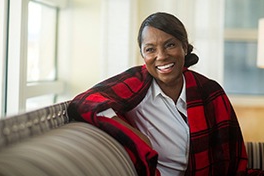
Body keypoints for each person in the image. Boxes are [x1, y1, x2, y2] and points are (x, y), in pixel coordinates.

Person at [68, 12, 262, 176]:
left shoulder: (209, 91)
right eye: (150, 49)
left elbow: (234, 156)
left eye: (170, 45)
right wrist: (133, 134)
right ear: (143, 55)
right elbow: (83, 102)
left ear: (184, 47)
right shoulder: (134, 85)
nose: (161, 56)